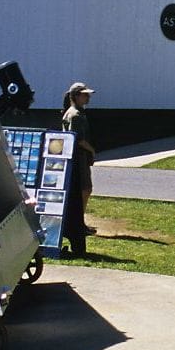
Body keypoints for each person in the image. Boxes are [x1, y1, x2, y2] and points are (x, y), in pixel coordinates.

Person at [60, 81, 98, 254]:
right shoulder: (74, 114)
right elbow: (78, 139)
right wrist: (92, 150)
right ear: (75, 96)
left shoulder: (79, 113)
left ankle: (79, 222)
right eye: (84, 94)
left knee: (86, 189)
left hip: (82, 158)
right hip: (77, 158)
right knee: (84, 189)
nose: (87, 97)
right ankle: (78, 223)